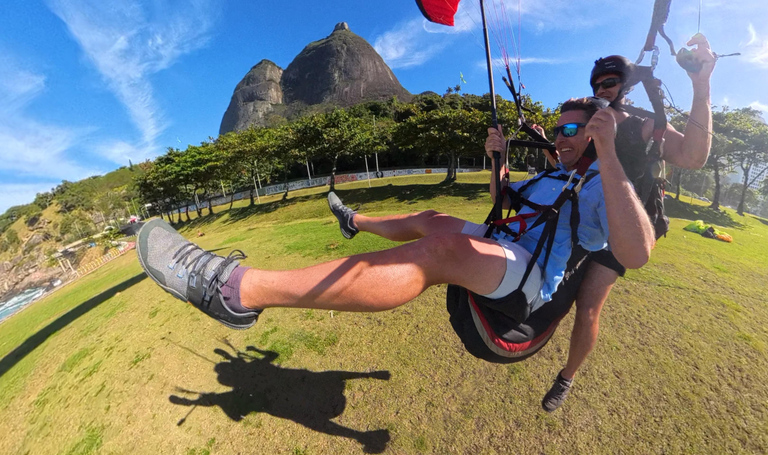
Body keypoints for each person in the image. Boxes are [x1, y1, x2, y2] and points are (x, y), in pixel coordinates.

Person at [136, 99, 655, 401]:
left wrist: (609, 154)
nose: (560, 136)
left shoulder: (597, 185)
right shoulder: (554, 173)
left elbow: (635, 252)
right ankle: (355, 221)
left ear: (594, 133)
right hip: (504, 243)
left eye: (572, 128)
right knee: (432, 219)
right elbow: (504, 206)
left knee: (440, 249)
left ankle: (237, 289)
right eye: (560, 127)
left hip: (530, 279)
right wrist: (497, 162)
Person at [539, 34, 715, 412]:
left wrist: (701, 86)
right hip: (584, 216)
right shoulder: (589, 120)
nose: (602, 89)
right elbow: (570, 164)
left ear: (626, 83)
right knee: (553, 286)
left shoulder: (643, 124)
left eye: (610, 82)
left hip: (625, 225)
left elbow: (693, 156)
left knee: (587, 307)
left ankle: (566, 377)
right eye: (597, 84)